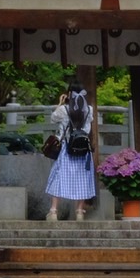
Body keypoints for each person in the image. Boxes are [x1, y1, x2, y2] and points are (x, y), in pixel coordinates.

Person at [45, 83, 95, 221]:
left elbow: (53, 118)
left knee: (59, 177)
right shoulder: (89, 110)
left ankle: (53, 211)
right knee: (83, 179)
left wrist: (60, 102)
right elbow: (89, 125)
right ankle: (79, 212)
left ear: (68, 94)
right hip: (83, 150)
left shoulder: (63, 110)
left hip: (67, 148)